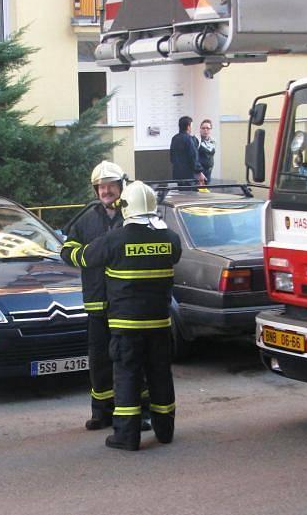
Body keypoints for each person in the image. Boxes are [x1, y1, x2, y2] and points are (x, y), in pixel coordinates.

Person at [79, 180, 182, 451]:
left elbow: (85, 257)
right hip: (160, 323)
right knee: (160, 375)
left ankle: (126, 435)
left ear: (126, 207)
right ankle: (164, 430)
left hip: (126, 326)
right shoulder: (169, 238)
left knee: (127, 375)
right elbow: (176, 256)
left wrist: (67, 250)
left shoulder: (115, 239)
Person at [61, 160, 126, 430]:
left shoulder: (133, 216)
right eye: (101, 187)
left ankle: (137, 411)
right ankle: (102, 412)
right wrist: (89, 256)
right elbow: (67, 251)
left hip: (126, 304)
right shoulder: (87, 218)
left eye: (110, 186)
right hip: (97, 302)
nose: (106, 191)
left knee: (128, 358)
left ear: (121, 187)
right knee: (99, 359)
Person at [169, 116, 206, 185]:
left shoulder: (174, 138)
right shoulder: (189, 139)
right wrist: (199, 172)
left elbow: (171, 157)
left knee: (180, 194)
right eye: (191, 125)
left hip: (176, 174)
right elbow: (193, 157)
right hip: (189, 175)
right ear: (188, 126)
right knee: (190, 194)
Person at [196, 119, 216, 183]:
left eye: (208, 128)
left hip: (209, 172)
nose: (205, 130)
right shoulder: (196, 140)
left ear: (211, 130)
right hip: (199, 173)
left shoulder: (213, 141)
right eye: (203, 128)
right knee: (200, 191)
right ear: (200, 129)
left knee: (207, 190)